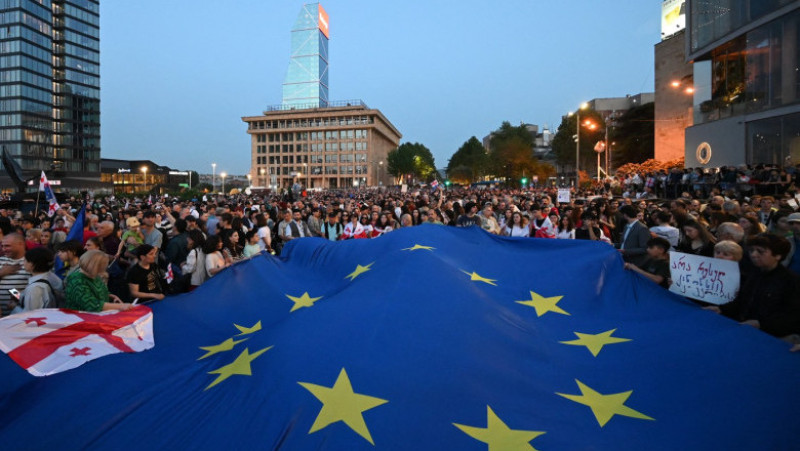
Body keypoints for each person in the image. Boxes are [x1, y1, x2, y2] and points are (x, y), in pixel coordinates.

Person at [707, 233, 800, 338]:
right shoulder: (753, 272)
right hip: (743, 330)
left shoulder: (791, 281)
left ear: (778, 255)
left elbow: (791, 316)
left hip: (768, 337)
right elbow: (742, 299)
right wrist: (722, 309)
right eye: (751, 250)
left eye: (760, 251)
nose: (753, 255)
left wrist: (761, 324)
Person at [65, 250, 131, 312]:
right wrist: (120, 306)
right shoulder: (77, 280)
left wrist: (111, 296)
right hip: (79, 318)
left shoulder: (93, 275)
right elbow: (91, 305)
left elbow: (99, 291)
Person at [0, 233, 31, 316]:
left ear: (20, 244)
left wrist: (17, 296)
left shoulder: (31, 262)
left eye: (7, 246)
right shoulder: (1, 260)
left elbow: (35, 292)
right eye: (2, 246)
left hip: (20, 317)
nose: (4, 249)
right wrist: (1, 273)